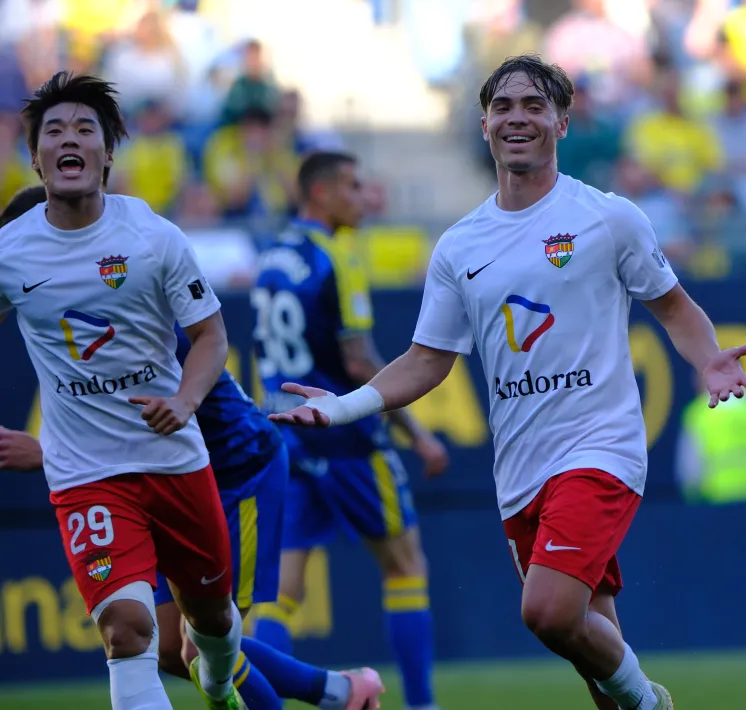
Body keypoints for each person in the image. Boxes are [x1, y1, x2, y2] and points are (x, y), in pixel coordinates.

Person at [269, 54, 746, 710]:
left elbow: (672, 305)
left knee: (549, 612)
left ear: (561, 120)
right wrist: (343, 408)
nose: (517, 117)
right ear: (483, 125)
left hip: (600, 448)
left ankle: (652, 703)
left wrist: (707, 358)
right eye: (504, 106)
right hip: (520, 469)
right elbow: (426, 359)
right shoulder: (460, 246)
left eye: (534, 105)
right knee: (588, 644)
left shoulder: (608, 218)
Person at [0, 185, 385, 710]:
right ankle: (340, 692)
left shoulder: (128, 310)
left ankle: (339, 693)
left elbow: (142, 429)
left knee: (200, 644)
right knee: (165, 651)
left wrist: (46, 453)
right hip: (160, 480)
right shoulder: (60, 312)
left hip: (235, 474)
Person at [0, 71, 244, 710]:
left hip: (174, 461)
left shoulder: (153, 238)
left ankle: (218, 680)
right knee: (127, 629)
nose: (69, 139)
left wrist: (184, 402)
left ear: (108, 153)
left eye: (86, 128)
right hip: (87, 476)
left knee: (212, 621)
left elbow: (211, 337)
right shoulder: (11, 252)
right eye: (55, 130)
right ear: (37, 157)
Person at [251, 151, 448, 710]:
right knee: (406, 567)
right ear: (321, 194)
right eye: (354, 187)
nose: (365, 198)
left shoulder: (272, 256)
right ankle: (421, 705)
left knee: (281, 594)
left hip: (286, 437)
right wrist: (418, 434)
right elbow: (359, 362)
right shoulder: (335, 255)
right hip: (347, 440)